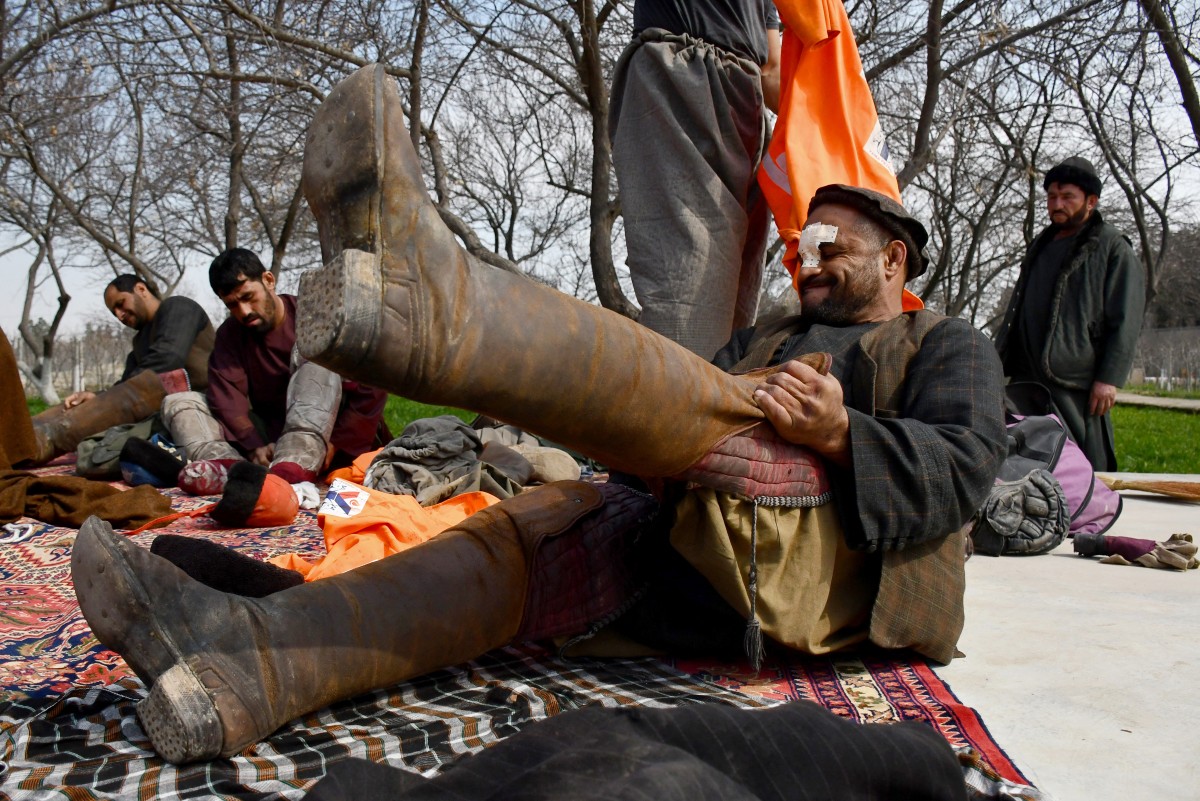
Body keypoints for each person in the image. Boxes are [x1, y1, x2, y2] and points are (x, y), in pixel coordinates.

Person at [70, 65, 1005, 765]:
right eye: (803, 246)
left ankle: (435, 312)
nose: (810, 258)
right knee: (530, 537)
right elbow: (659, 437)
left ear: (898, 261)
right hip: (704, 570)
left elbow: (965, 468)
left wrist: (840, 433)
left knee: (712, 404)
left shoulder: (944, 346)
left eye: (836, 246)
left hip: (824, 578)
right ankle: (247, 660)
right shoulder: (768, 337)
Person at [609, 0, 781, 359]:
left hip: (748, 100)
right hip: (680, 68)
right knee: (685, 282)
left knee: (732, 296)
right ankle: (672, 408)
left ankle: (708, 402)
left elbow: (773, 72)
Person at [161, 248, 390, 490]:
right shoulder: (230, 334)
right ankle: (229, 468)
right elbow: (226, 395)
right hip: (273, 441)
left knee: (311, 354)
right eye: (232, 305)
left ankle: (294, 467)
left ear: (269, 280)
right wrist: (254, 446)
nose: (244, 312)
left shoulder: (315, 317)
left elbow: (371, 385)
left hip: (335, 437)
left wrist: (336, 443)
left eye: (248, 297)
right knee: (180, 401)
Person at [994, 156, 1146, 471]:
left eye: (1067, 197)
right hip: (1027, 372)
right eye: (1052, 197)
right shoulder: (1040, 243)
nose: (1057, 204)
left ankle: (1090, 511)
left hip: (1076, 375)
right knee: (1027, 453)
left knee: (1084, 459)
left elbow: (1126, 318)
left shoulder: (1112, 246)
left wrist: (1109, 378)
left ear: (1091, 201)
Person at [27, 275, 214, 465]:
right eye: (114, 311)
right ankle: (22, 433)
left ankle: (40, 444)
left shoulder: (178, 307)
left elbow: (166, 362)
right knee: (76, 405)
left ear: (141, 290)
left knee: (143, 385)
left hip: (199, 405)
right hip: (158, 411)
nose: (119, 315)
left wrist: (109, 396)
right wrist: (96, 397)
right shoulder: (140, 342)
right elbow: (125, 385)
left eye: (121, 304)